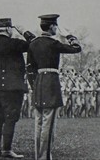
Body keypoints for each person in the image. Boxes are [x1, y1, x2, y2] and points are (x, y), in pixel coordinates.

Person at [27, 14, 82, 159]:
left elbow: (30, 68)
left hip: (38, 83)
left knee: (38, 123)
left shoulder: (33, 43)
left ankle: (39, 155)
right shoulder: (53, 43)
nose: (57, 29)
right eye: (56, 26)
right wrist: (69, 35)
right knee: (48, 124)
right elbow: (76, 48)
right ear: (51, 26)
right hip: (51, 83)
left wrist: (34, 85)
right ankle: (44, 157)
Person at [0, 18, 35, 158]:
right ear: (9, 29)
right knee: (10, 118)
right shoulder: (15, 44)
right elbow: (35, 44)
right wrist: (24, 32)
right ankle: (7, 150)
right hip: (14, 88)